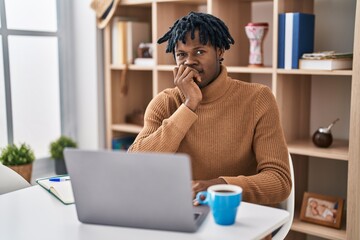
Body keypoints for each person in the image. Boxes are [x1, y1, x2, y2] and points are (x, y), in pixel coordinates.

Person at [128, 11, 291, 205]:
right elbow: (136, 165)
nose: (189, 61)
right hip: (182, 212)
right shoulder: (165, 103)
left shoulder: (258, 99)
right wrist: (189, 106)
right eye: (181, 54)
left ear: (220, 51)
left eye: (199, 51)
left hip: (238, 215)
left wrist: (218, 187)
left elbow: (279, 181)